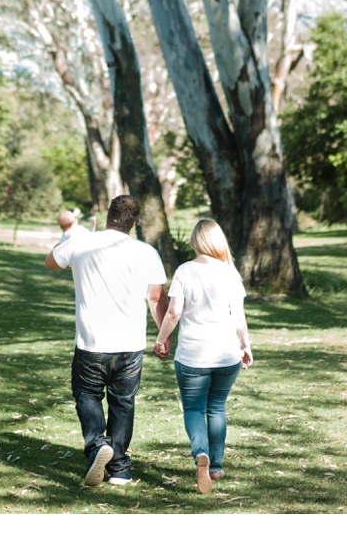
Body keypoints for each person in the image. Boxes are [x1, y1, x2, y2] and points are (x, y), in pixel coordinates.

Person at [45, 194, 169, 487]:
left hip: (91, 342)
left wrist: (70, 236)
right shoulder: (147, 252)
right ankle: (120, 470)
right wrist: (164, 337)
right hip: (130, 344)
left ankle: (97, 444)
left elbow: (51, 262)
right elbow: (155, 298)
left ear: (108, 214)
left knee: (87, 396)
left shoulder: (81, 242)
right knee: (122, 402)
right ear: (134, 223)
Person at [152, 218, 253, 495]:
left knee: (194, 409)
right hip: (226, 355)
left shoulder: (185, 271)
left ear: (196, 241)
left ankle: (201, 455)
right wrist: (245, 346)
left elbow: (173, 313)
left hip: (192, 356)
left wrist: (161, 340)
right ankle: (217, 465)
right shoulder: (230, 273)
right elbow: (239, 317)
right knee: (217, 408)